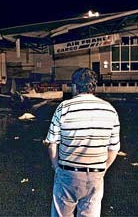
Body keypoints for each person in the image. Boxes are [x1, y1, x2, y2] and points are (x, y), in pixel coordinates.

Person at [43, 68, 120, 217]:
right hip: (96, 175)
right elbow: (114, 148)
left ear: (75, 86)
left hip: (68, 173)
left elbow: (52, 144)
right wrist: (102, 169)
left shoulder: (64, 108)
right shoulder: (110, 110)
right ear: (93, 86)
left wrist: (57, 168)